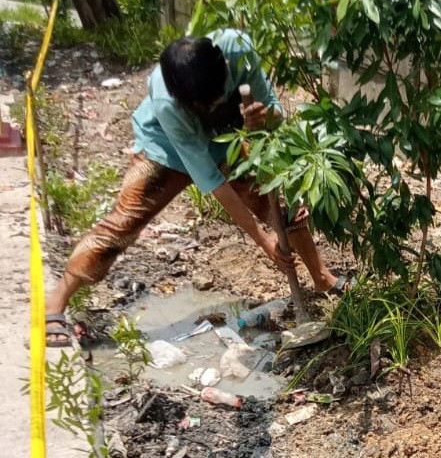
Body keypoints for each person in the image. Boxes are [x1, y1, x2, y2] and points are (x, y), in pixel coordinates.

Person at [45, 29, 347, 346]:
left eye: (219, 96)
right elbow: (213, 180)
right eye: (206, 104)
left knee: (282, 209)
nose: (216, 104)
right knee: (125, 223)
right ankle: (56, 303)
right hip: (165, 150)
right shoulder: (166, 104)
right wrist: (263, 241)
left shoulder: (238, 50)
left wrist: (262, 119)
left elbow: (274, 110)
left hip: (225, 140)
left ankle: (321, 278)